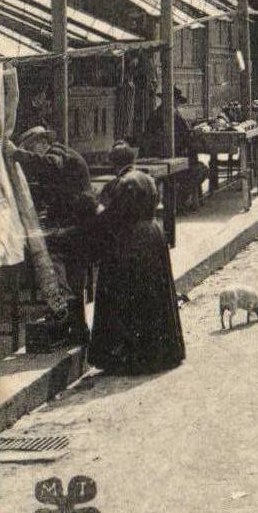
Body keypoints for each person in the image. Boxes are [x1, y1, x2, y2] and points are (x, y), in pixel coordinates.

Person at [85, 142, 185, 375]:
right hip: (153, 235)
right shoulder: (146, 177)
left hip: (130, 242)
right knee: (154, 293)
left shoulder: (120, 184)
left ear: (114, 163)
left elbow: (113, 216)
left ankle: (132, 358)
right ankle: (162, 353)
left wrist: (94, 216)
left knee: (127, 295)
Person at [14, 126, 98, 319]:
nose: (31, 153)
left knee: (52, 251)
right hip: (81, 221)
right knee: (75, 270)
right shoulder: (63, 155)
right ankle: (75, 324)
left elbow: (50, 164)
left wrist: (18, 154)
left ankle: (64, 303)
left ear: (42, 143)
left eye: (31, 148)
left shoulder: (57, 153)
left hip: (77, 220)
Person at [140, 86, 205, 208]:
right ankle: (180, 200)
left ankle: (181, 199)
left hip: (152, 156)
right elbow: (187, 137)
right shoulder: (174, 115)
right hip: (170, 158)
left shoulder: (154, 115)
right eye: (177, 101)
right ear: (173, 100)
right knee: (200, 168)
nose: (177, 104)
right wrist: (196, 133)